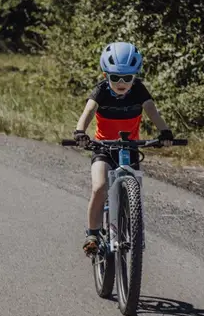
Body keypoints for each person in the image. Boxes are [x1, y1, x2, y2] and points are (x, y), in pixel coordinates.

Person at [72, 41, 174, 256]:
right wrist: (80, 132)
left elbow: (152, 111)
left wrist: (164, 132)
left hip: (130, 147)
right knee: (99, 187)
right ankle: (92, 234)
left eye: (127, 78)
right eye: (115, 77)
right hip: (103, 148)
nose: (121, 82)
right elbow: (88, 112)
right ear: (105, 75)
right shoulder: (101, 90)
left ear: (134, 76)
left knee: (134, 191)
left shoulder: (139, 90)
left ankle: (132, 229)